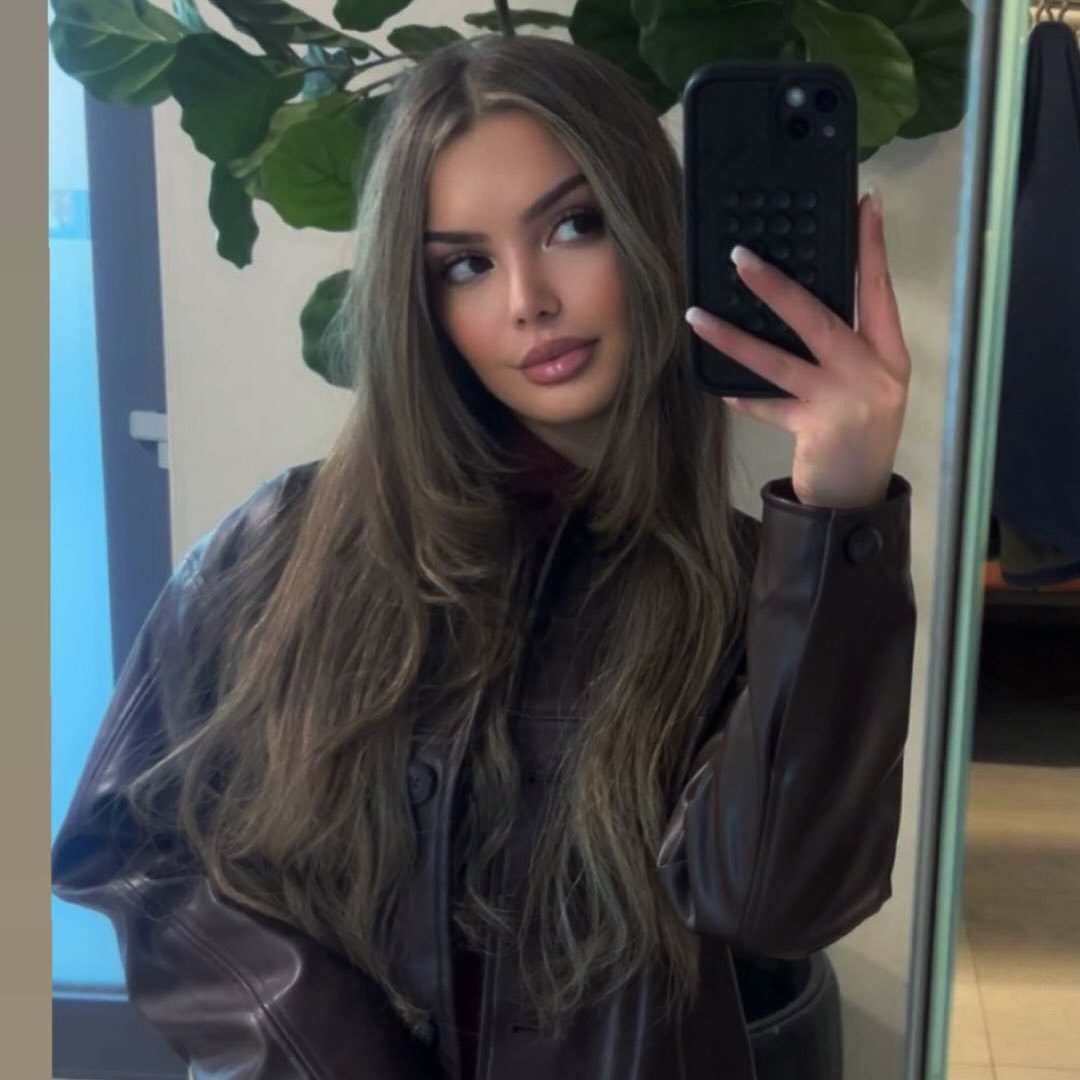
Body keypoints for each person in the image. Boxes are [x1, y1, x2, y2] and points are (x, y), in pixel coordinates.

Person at [52, 33, 917, 1080]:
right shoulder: (283, 544)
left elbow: (783, 905)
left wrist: (840, 510)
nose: (525, 300)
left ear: (651, 230)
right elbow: (129, 843)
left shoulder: (763, 588)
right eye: (465, 264)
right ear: (419, 302)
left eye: (573, 226)